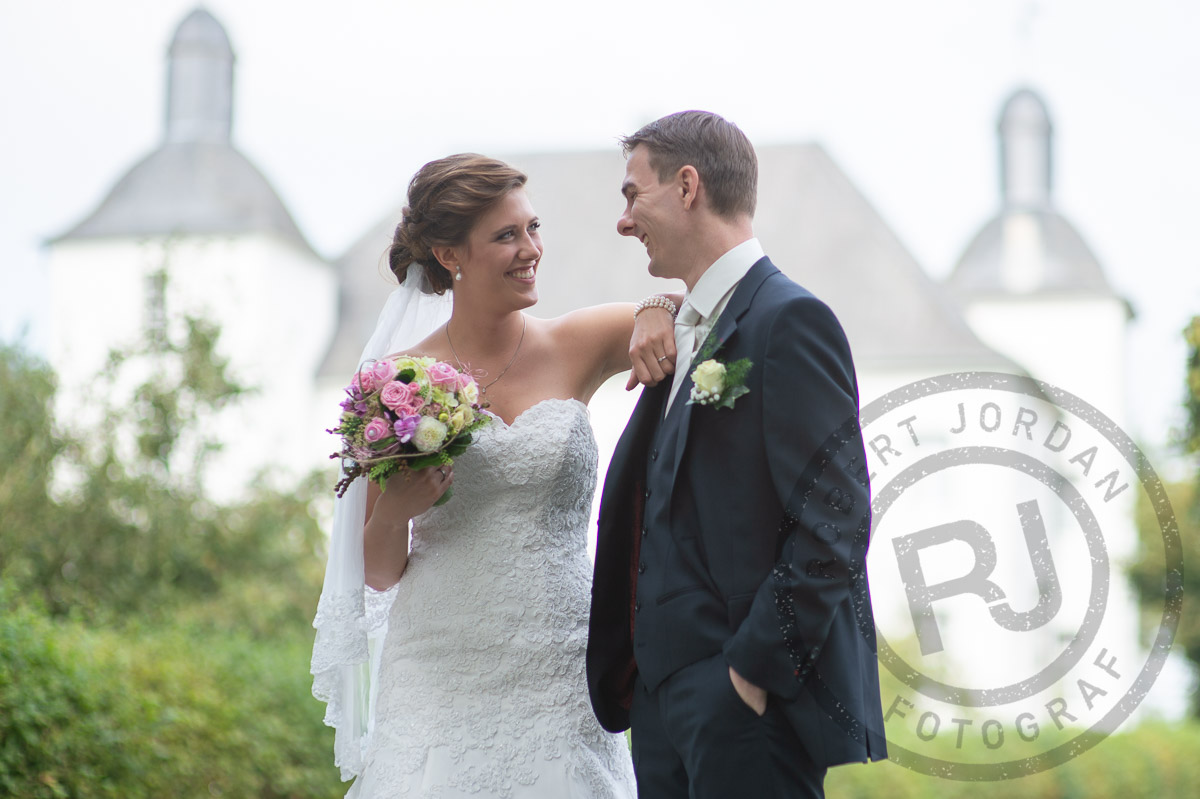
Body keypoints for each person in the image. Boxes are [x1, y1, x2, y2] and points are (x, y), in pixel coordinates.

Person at [311, 153, 682, 799]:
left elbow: (707, 308)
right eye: (507, 235)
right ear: (449, 254)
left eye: (533, 228)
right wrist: (394, 511)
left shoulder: (576, 341)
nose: (531, 249)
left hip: (560, 660)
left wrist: (656, 305)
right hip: (436, 668)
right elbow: (378, 572)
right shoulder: (395, 383)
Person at [586, 111, 888, 798]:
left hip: (746, 705)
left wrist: (752, 673)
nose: (623, 221)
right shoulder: (677, 328)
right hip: (658, 708)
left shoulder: (790, 320)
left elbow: (836, 522)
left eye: (633, 194)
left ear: (687, 186)